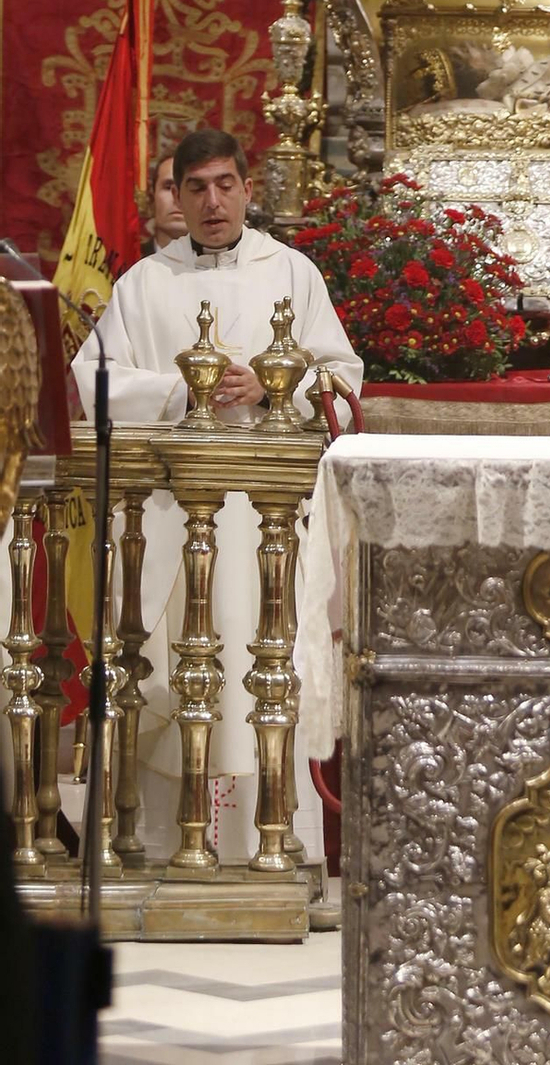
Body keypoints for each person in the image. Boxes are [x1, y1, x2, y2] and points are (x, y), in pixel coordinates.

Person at [71, 127, 363, 865]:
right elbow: (89, 384)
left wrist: (275, 387)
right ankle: (161, 842)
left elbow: (342, 381)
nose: (211, 201)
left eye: (224, 185)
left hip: (262, 522)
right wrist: (184, 388)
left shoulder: (291, 272)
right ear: (176, 194)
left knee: (257, 664)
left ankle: (264, 845)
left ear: (247, 189)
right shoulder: (145, 283)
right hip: (170, 518)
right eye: (193, 187)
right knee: (168, 670)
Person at [147, 149, 186, 250]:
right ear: (152, 198)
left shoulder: (224, 264)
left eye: (188, 188)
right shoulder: (129, 262)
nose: (178, 198)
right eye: (168, 187)